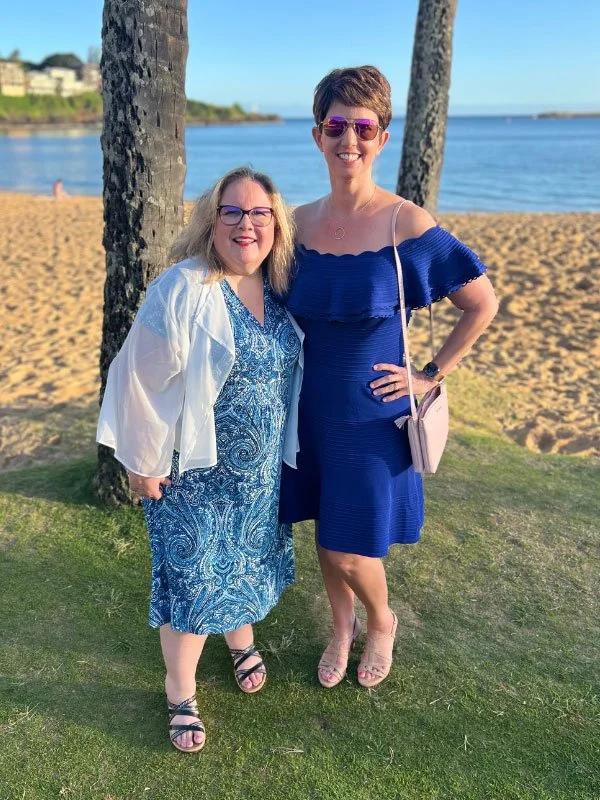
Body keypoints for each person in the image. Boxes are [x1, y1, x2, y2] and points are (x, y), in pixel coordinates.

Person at [279, 66, 499, 690]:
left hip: (374, 417)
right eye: (335, 126)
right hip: (306, 410)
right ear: (317, 135)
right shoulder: (295, 223)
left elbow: (481, 303)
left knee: (352, 547)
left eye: (363, 127)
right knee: (327, 532)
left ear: (381, 135)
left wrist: (429, 374)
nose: (348, 139)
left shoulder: (407, 224)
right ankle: (340, 626)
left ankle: (381, 621)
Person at [97, 166, 303, 752]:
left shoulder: (280, 289)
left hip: (257, 477)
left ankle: (240, 642)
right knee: (194, 583)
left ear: (276, 226)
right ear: (211, 223)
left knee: (244, 566)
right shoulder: (185, 286)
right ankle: (180, 689)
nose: (246, 224)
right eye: (231, 212)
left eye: (259, 213)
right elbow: (137, 376)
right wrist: (141, 460)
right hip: (193, 476)